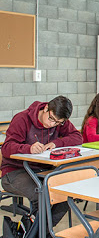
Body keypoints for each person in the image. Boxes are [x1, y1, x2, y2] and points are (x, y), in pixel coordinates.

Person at [1, 96, 82, 228]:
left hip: (41, 171)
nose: (52, 124)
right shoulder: (22, 119)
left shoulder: (58, 120)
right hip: (14, 172)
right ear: (46, 109)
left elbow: (77, 137)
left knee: (65, 195)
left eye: (57, 123)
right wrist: (28, 148)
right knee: (42, 194)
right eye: (51, 119)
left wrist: (56, 143)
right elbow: (6, 148)